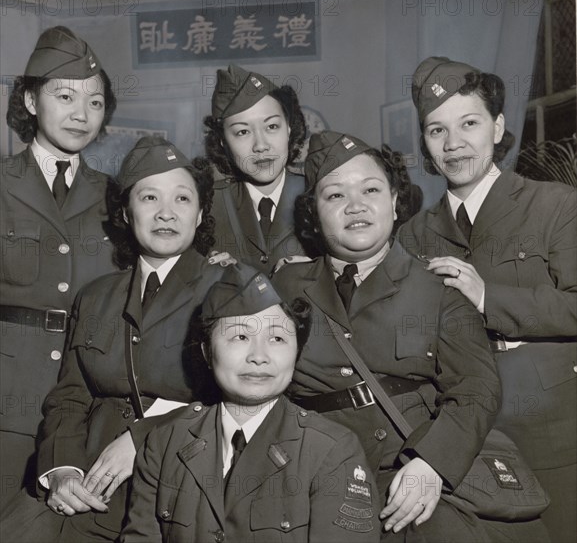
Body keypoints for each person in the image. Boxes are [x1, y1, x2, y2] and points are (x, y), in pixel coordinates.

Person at [272, 130, 550, 542]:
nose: (356, 206)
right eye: (334, 196)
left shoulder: (437, 287)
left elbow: (476, 388)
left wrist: (432, 463)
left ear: (395, 200)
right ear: (313, 212)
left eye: (371, 189)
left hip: (409, 471)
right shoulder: (281, 288)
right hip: (314, 477)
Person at [0, 137, 226, 542]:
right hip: (89, 475)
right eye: (149, 198)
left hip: (182, 477)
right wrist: (62, 468)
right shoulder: (97, 295)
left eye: (182, 199)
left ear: (200, 213)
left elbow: (242, 396)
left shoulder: (227, 287)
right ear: (125, 211)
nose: (165, 213)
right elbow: (70, 396)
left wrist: (143, 437)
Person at [398, 56, 577, 543]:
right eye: (437, 131)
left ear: (498, 127)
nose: (453, 144)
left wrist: (487, 297)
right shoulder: (412, 235)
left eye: (469, 124)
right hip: (465, 445)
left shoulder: (554, 205)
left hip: (552, 437)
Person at [121, 263, 380, 543]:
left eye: (277, 338)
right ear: (207, 352)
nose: (259, 356)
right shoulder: (164, 444)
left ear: (296, 354)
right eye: (240, 336)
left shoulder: (331, 451)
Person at [0, 26, 117, 511]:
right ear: (30, 100)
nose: (81, 114)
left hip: (85, 404)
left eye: (94, 102)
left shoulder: (118, 196)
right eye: (65, 96)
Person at [204, 64, 307, 274]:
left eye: (271, 127)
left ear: (288, 128)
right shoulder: (205, 205)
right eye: (242, 132)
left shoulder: (322, 193)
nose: (261, 145)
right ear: (223, 141)